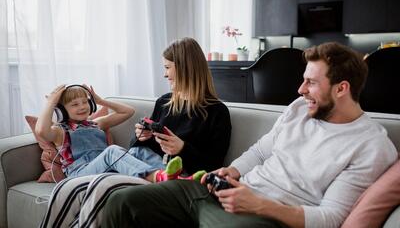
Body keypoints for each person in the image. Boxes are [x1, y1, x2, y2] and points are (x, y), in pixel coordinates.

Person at [102, 42, 398, 228]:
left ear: (341, 88)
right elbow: (259, 152)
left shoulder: (370, 145)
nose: (300, 90)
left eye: (310, 83)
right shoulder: (298, 109)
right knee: (121, 202)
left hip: (262, 215)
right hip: (222, 193)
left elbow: (331, 218)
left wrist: (257, 205)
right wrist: (230, 170)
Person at [40, 37, 232, 228]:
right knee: (123, 159)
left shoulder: (217, 112)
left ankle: (171, 178)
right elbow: (140, 147)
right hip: (147, 169)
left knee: (105, 183)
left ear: (184, 68)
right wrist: (141, 136)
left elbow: (213, 165)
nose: (165, 75)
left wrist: (182, 148)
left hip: (182, 177)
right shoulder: (164, 102)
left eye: (167, 67)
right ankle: (163, 176)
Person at [36, 84, 189, 182]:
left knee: (138, 150)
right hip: (80, 173)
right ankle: (158, 177)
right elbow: (41, 130)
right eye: (75, 104)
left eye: (85, 102)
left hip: (106, 166)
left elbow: (128, 111)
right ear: (62, 111)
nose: (82, 107)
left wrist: (100, 101)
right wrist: (51, 103)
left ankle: (177, 177)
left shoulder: (96, 123)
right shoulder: (60, 131)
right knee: (112, 151)